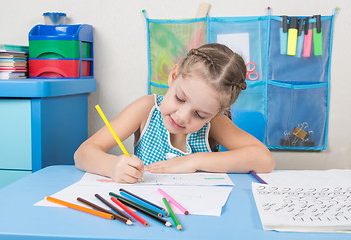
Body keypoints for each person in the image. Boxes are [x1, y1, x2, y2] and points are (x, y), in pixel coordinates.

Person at [74, 43, 275, 183]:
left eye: (200, 114)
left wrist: (194, 161)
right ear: (173, 76)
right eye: (180, 99)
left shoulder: (214, 123)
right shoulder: (146, 109)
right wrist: (112, 166)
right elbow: (83, 153)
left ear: (216, 113)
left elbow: (264, 159)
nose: (182, 116)